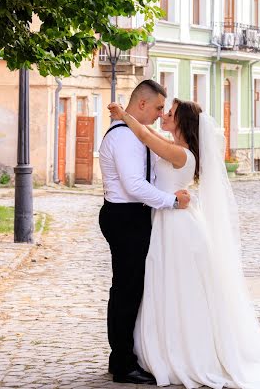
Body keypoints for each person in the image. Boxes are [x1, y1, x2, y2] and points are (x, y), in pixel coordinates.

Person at [107, 97, 260, 389]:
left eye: (169, 113)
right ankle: (160, 348)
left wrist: (124, 114)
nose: (163, 115)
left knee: (179, 288)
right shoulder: (175, 146)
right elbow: (150, 137)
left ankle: (185, 353)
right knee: (163, 286)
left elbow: (145, 135)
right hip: (166, 220)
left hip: (178, 226)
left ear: (181, 122)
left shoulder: (182, 155)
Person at [99, 80, 190, 386]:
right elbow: (134, 186)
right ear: (141, 105)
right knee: (126, 291)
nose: (160, 114)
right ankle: (124, 364)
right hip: (125, 216)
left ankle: (121, 358)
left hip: (133, 216)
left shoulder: (134, 131)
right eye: (158, 108)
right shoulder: (124, 138)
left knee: (130, 289)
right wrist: (172, 202)